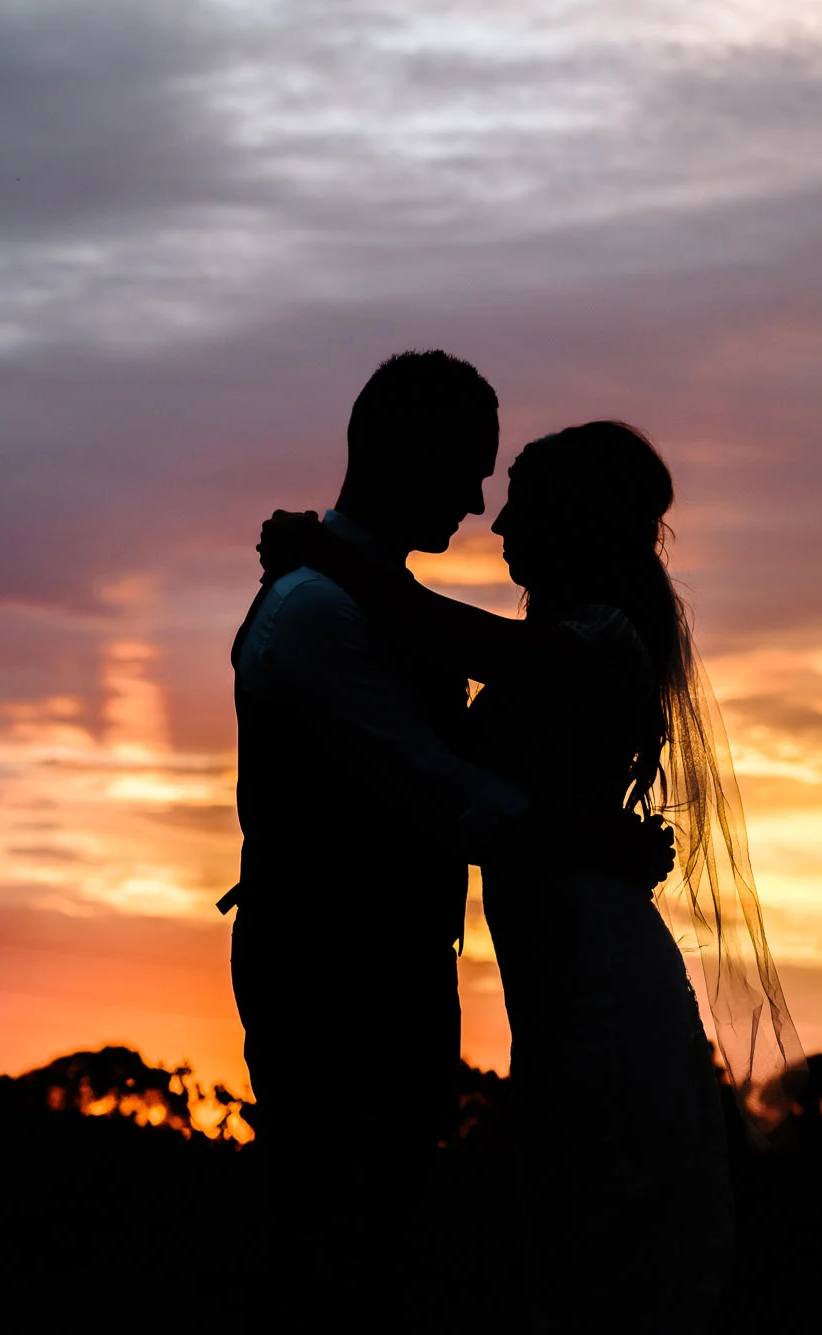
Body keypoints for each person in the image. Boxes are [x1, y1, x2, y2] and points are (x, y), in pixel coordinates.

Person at [258, 418, 804, 1333]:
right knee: (570, 1220)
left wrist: (328, 552)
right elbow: (452, 780)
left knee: (605, 1220)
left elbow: (443, 636)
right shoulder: (561, 640)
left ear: (574, 523)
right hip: (559, 967)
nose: (498, 522)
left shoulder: (604, 638)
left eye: (523, 503)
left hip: (596, 966)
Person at [225, 353, 671, 1323]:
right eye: (471, 472)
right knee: (338, 1246)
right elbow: (444, 791)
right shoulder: (317, 611)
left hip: (453, 965)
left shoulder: (556, 636)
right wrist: (591, 842)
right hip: (333, 973)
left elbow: (453, 674)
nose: (483, 510)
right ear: (405, 453)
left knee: (397, 1239)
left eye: (504, 488)